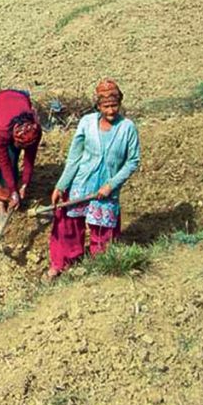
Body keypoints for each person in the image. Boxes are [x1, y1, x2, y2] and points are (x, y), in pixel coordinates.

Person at [46, 79, 141, 279]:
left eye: (114, 105)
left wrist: (111, 185)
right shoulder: (87, 123)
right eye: (106, 106)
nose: (111, 110)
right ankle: (63, 263)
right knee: (69, 226)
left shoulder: (127, 128)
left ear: (120, 103)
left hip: (106, 189)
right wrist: (61, 185)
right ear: (98, 106)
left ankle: (101, 266)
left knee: (103, 231)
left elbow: (132, 161)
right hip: (81, 183)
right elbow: (74, 157)